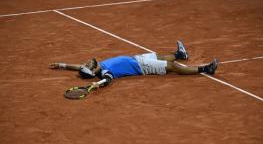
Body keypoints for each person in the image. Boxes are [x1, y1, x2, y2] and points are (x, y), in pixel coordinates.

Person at [49, 41, 218, 88]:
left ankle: (179, 54)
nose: (86, 61)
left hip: (136, 58)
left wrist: (61, 65)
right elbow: (107, 81)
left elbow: (78, 67)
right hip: (142, 67)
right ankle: (205, 69)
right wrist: (98, 84)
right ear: (93, 70)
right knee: (172, 67)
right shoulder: (105, 72)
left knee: (160, 56)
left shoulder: (97, 66)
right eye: (87, 64)